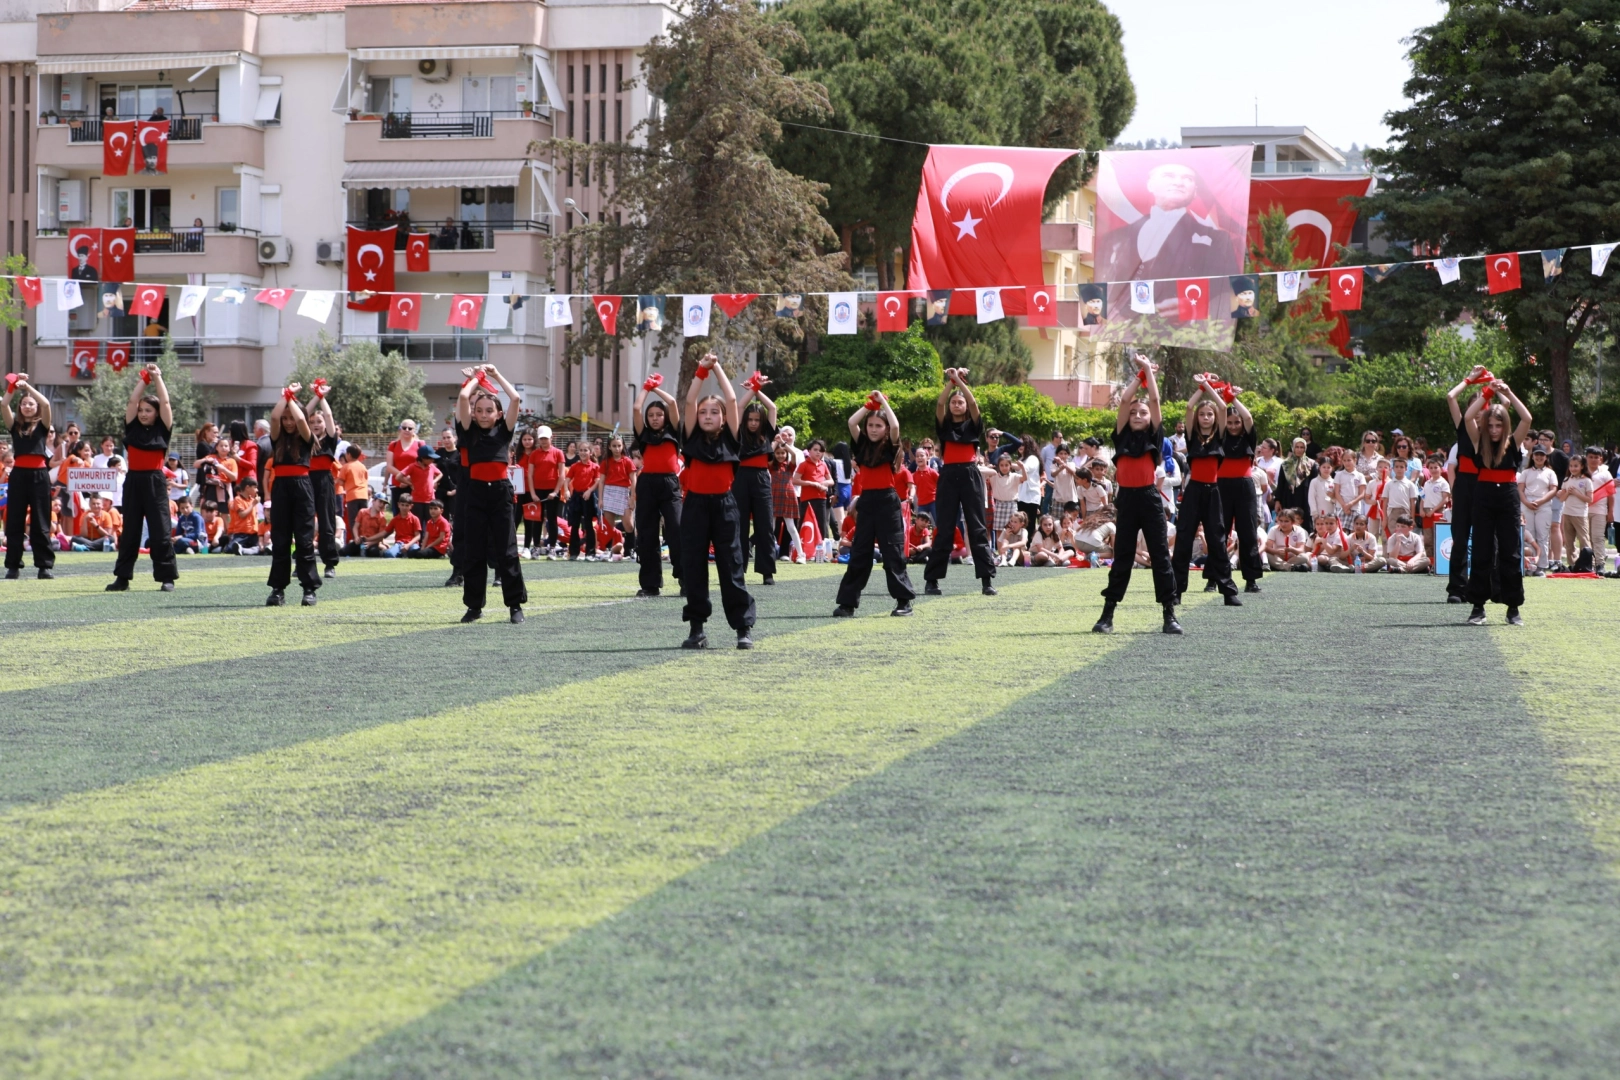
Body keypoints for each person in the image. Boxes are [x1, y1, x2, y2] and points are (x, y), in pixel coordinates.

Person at [1093, 355, 1179, 635]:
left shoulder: (1155, 436)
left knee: (1161, 557)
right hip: (1127, 501)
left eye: (1143, 413)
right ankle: (1107, 615)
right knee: (1122, 557)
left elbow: (1153, 401)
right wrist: (1141, 374)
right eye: (1134, 413)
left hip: (1150, 499)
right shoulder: (1121, 434)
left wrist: (1148, 375)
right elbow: (1127, 400)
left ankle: (1169, 614)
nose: (1139, 415)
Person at [677, 354, 756, 649]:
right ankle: (697, 630)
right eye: (703, 412)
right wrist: (700, 371)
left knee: (731, 566)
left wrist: (717, 367)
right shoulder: (690, 438)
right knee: (694, 567)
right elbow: (688, 401)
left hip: (725, 506)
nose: (707, 416)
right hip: (695, 506)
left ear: (723, 418)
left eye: (714, 412)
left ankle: (743, 628)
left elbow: (733, 399)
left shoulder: (732, 438)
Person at [453, 366, 527, 623]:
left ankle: (515, 605)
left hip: (500, 494)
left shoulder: (504, 431)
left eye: (489, 411)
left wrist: (494, 375)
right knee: (474, 552)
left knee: (507, 551)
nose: (483, 415)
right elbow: (463, 398)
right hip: (474, 494)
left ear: (498, 414)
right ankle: (474, 606)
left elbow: (515, 398)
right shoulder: (468, 430)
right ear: (473, 413)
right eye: (479, 410)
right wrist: (475, 379)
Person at [833, 391, 917, 617]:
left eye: (878, 425)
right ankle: (847, 604)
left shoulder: (891, 444)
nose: (872, 428)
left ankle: (904, 602)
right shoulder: (861, 445)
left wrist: (884, 403)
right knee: (860, 553)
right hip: (867, 501)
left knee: (893, 553)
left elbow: (896, 426)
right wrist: (869, 406)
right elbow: (852, 422)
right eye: (870, 424)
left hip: (888, 502)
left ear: (885, 429)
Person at [1097, 162, 1240, 284]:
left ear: (1195, 191)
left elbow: (1226, 291)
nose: (1178, 183)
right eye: (1168, 176)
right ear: (1150, 185)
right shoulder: (1114, 240)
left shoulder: (1217, 240)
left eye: (1188, 178)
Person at [922, 369, 998, 596]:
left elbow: (974, 404)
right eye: (954, 401)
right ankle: (932, 580)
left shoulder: (973, 425)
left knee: (977, 528)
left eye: (960, 402)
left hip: (970, 474)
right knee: (944, 528)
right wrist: (950, 383)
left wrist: (960, 384)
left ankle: (986, 581)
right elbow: (939, 404)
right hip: (948, 476)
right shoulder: (944, 426)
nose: (956, 404)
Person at [1462, 379, 1532, 625]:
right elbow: (1468, 416)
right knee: (1482, 550)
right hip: (1483, 494)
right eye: (1490, 424)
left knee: (1511, 552)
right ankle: (1478, 607)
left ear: (1505, 426)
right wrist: (1488, 391)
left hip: (1508, 496)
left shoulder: (1514, 441)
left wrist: (1508, 392)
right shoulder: (1478, 440)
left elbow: (1527, 418)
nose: (1493, 429)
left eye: (1498, 425)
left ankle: (1513, 608)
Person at [107, 363, 178, 592]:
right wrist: (144, 379)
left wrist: (157, 377)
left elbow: (166, 402)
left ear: (156, 413)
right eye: (141, 410)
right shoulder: (132, 427)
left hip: (155, 482)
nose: (143, 414)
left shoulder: (163, 428)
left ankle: (167, 578)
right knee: (130, 532)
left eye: (148, 410)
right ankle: (122, 578)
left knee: (161, 531)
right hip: (134, 481)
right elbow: (131, 401)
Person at [1172, 376, 1239, 605]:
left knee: (1217, 541)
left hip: (1213, 492)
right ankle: (1176, 592)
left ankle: (1228, 592)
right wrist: (1201, 388)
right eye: (1203, 415)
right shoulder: (1191, 436)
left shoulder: (1219, 436)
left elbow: (1222, 406)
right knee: (1183, 540)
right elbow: (1190, 406)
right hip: (1193, 492)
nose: (1206, 417)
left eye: (1209, 415)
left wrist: (1209, 387)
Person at [263, 383, 322, 607]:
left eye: (291, 417)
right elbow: (275, 417)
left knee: (305, 541)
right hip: (281, 488)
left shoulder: (306, 437)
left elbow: (300, 420)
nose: (288, 422)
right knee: (280, 541)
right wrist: (285, 396)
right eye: (286, 418)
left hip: (302, 487)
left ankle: (309, 589)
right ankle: (278, 590)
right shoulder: (277, 437)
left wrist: (291, 398)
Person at [631, 380, 682, 597]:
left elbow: (671, 402)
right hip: (647, 485)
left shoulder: (675, 430)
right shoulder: (642, 434)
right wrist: (645, 388)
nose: (654, 418)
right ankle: (650, 584)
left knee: (677, 530)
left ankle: (685, 581)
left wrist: (655, 388)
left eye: (658, 415)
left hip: (670, 484)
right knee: (647, 534)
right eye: (650, 415)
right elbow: (636, 408)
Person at [2, 375, 56, 579]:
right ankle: (13, 566)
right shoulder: (14, 425)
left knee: (41, 521)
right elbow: (5, 403)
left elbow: (46, 403)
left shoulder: (43, 425)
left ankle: (44, 566)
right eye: (24, 404)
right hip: (19, 475)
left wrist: (28, 387)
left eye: (30, 404)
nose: (27, 406)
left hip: (40, 475)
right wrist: (13, 386)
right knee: (14, 520)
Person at [1444, 370, 1487, 602]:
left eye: (1483, 405)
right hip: (1464, 486)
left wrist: (1492, 383)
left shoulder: (1494, 431)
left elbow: (1507, 403)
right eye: (1475, 405)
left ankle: (1480, 588)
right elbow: (1451, 397)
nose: (1479, 410)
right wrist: (1469, 379)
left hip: (1486, 486)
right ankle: (1456, 589)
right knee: (1459, 539)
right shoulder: (1462, 426)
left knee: (1485, 540)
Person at [1216, 390, 1264, 593]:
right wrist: (1219, 397)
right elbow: (1219, 413)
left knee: (1248, 533)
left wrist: (1233, 399)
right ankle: (1213, 578)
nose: (1234, 425)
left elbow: (1248, 417)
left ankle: (1251, 580)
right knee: (1219, 532)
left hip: (1245, 487)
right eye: (1230, 422)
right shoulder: (1219, 437)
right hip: (1222, 487)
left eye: (1237, 422)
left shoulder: (1249, 438)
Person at [733, 376, 779, 584]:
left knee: (765, 526)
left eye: (756, 420)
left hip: (761, 479)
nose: (753, 423)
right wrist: (751, 390)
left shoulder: (768, 433)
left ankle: (766, 572)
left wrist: (757, 390)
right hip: (740, 478)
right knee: (739, 525)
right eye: (750, 419)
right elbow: (740, 406)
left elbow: (772, 408)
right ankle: (739, 568)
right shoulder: (738, 431)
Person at [304, 386, 342, 579]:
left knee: (327, 524)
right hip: (305, 481)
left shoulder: (330, 441)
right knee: (305, 524)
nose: (316, 424)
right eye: (312, 422)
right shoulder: (304, 440)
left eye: (318, 422)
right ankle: (303, 562)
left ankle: (329, 564)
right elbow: (303, 414)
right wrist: (314, 397)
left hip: (325, 481)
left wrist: (322, 397)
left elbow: (328, 414)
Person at [523, 425, 565, 556]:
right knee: (537, 519)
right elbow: (530, 474)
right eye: (541, 439)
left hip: (552, 491)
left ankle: (552, 547)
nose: (543, 441)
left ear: (551, 438)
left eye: (546, 438)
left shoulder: (558, 453)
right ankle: (536, 547)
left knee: (552, 520)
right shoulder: (535, 454)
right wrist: (533, 493)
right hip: (537, 491)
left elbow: (562, 474)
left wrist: (556, 492)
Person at [1518, 445, 1558, 573]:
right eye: (1537, 454)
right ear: (1532, 456)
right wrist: (1526, 502)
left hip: (1543, 504)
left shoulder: (1550, 472)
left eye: (1542, 455)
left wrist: (1540, 501)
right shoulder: (1526, 472)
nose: (1539, 457)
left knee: (1542, 536)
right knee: (1529, 535)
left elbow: (1553, 490)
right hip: (1527, 504)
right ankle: (1530, 565)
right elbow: (1520, 489)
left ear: (1546, 457)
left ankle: (1542, 565)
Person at [599, 435, 635, 558]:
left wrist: (632, 498)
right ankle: (608, 550)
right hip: (609, 492)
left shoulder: (628, 461)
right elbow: (601, 481)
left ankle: (630, 549)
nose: (617, 448)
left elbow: (634, 480)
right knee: (609, 524)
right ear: (609, 447)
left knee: (628, 524)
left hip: (624, 492)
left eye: (619, 445)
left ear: (623, 446)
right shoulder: (606, 462)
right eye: (614, 446)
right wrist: (600, 499)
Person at [564, 442, 600, 560]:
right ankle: (573, 553)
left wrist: (589, 491)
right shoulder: (574, 466)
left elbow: (598, 481)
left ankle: (590, 553)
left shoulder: (595, 466)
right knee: (574, 525)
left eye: (586, 450)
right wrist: (567, 491)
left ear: (590, 452)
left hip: (588, 497)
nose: (583, 453)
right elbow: (567, 479)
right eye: (581, 450)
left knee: (588, 525)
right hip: (576, 497)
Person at [1584, 446, 1613, 569]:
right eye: (1591, 457)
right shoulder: (1580, 471)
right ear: (1586, 458)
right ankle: (1587, 563)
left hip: (1600, 510)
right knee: (1586, 538)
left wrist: (1610, 511)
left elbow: (1611, 494)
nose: (1593, 460)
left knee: (1597, 537)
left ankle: (1600, 563)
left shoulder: (1605, 473)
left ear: (1600, 459)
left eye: (1596, 457)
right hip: (1582, 511)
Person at [386, 419, 423, 516]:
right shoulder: (393, 445)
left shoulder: (420, 444)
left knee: (415, 515)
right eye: (404, 427)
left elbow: (424, 465)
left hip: (414, 485)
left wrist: (409, 480)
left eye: (410, 428)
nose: (407, 430)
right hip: (397, 485)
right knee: (398, 515)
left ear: (414, 430)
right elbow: (389, 466)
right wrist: (403, 478)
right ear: (400, 429)